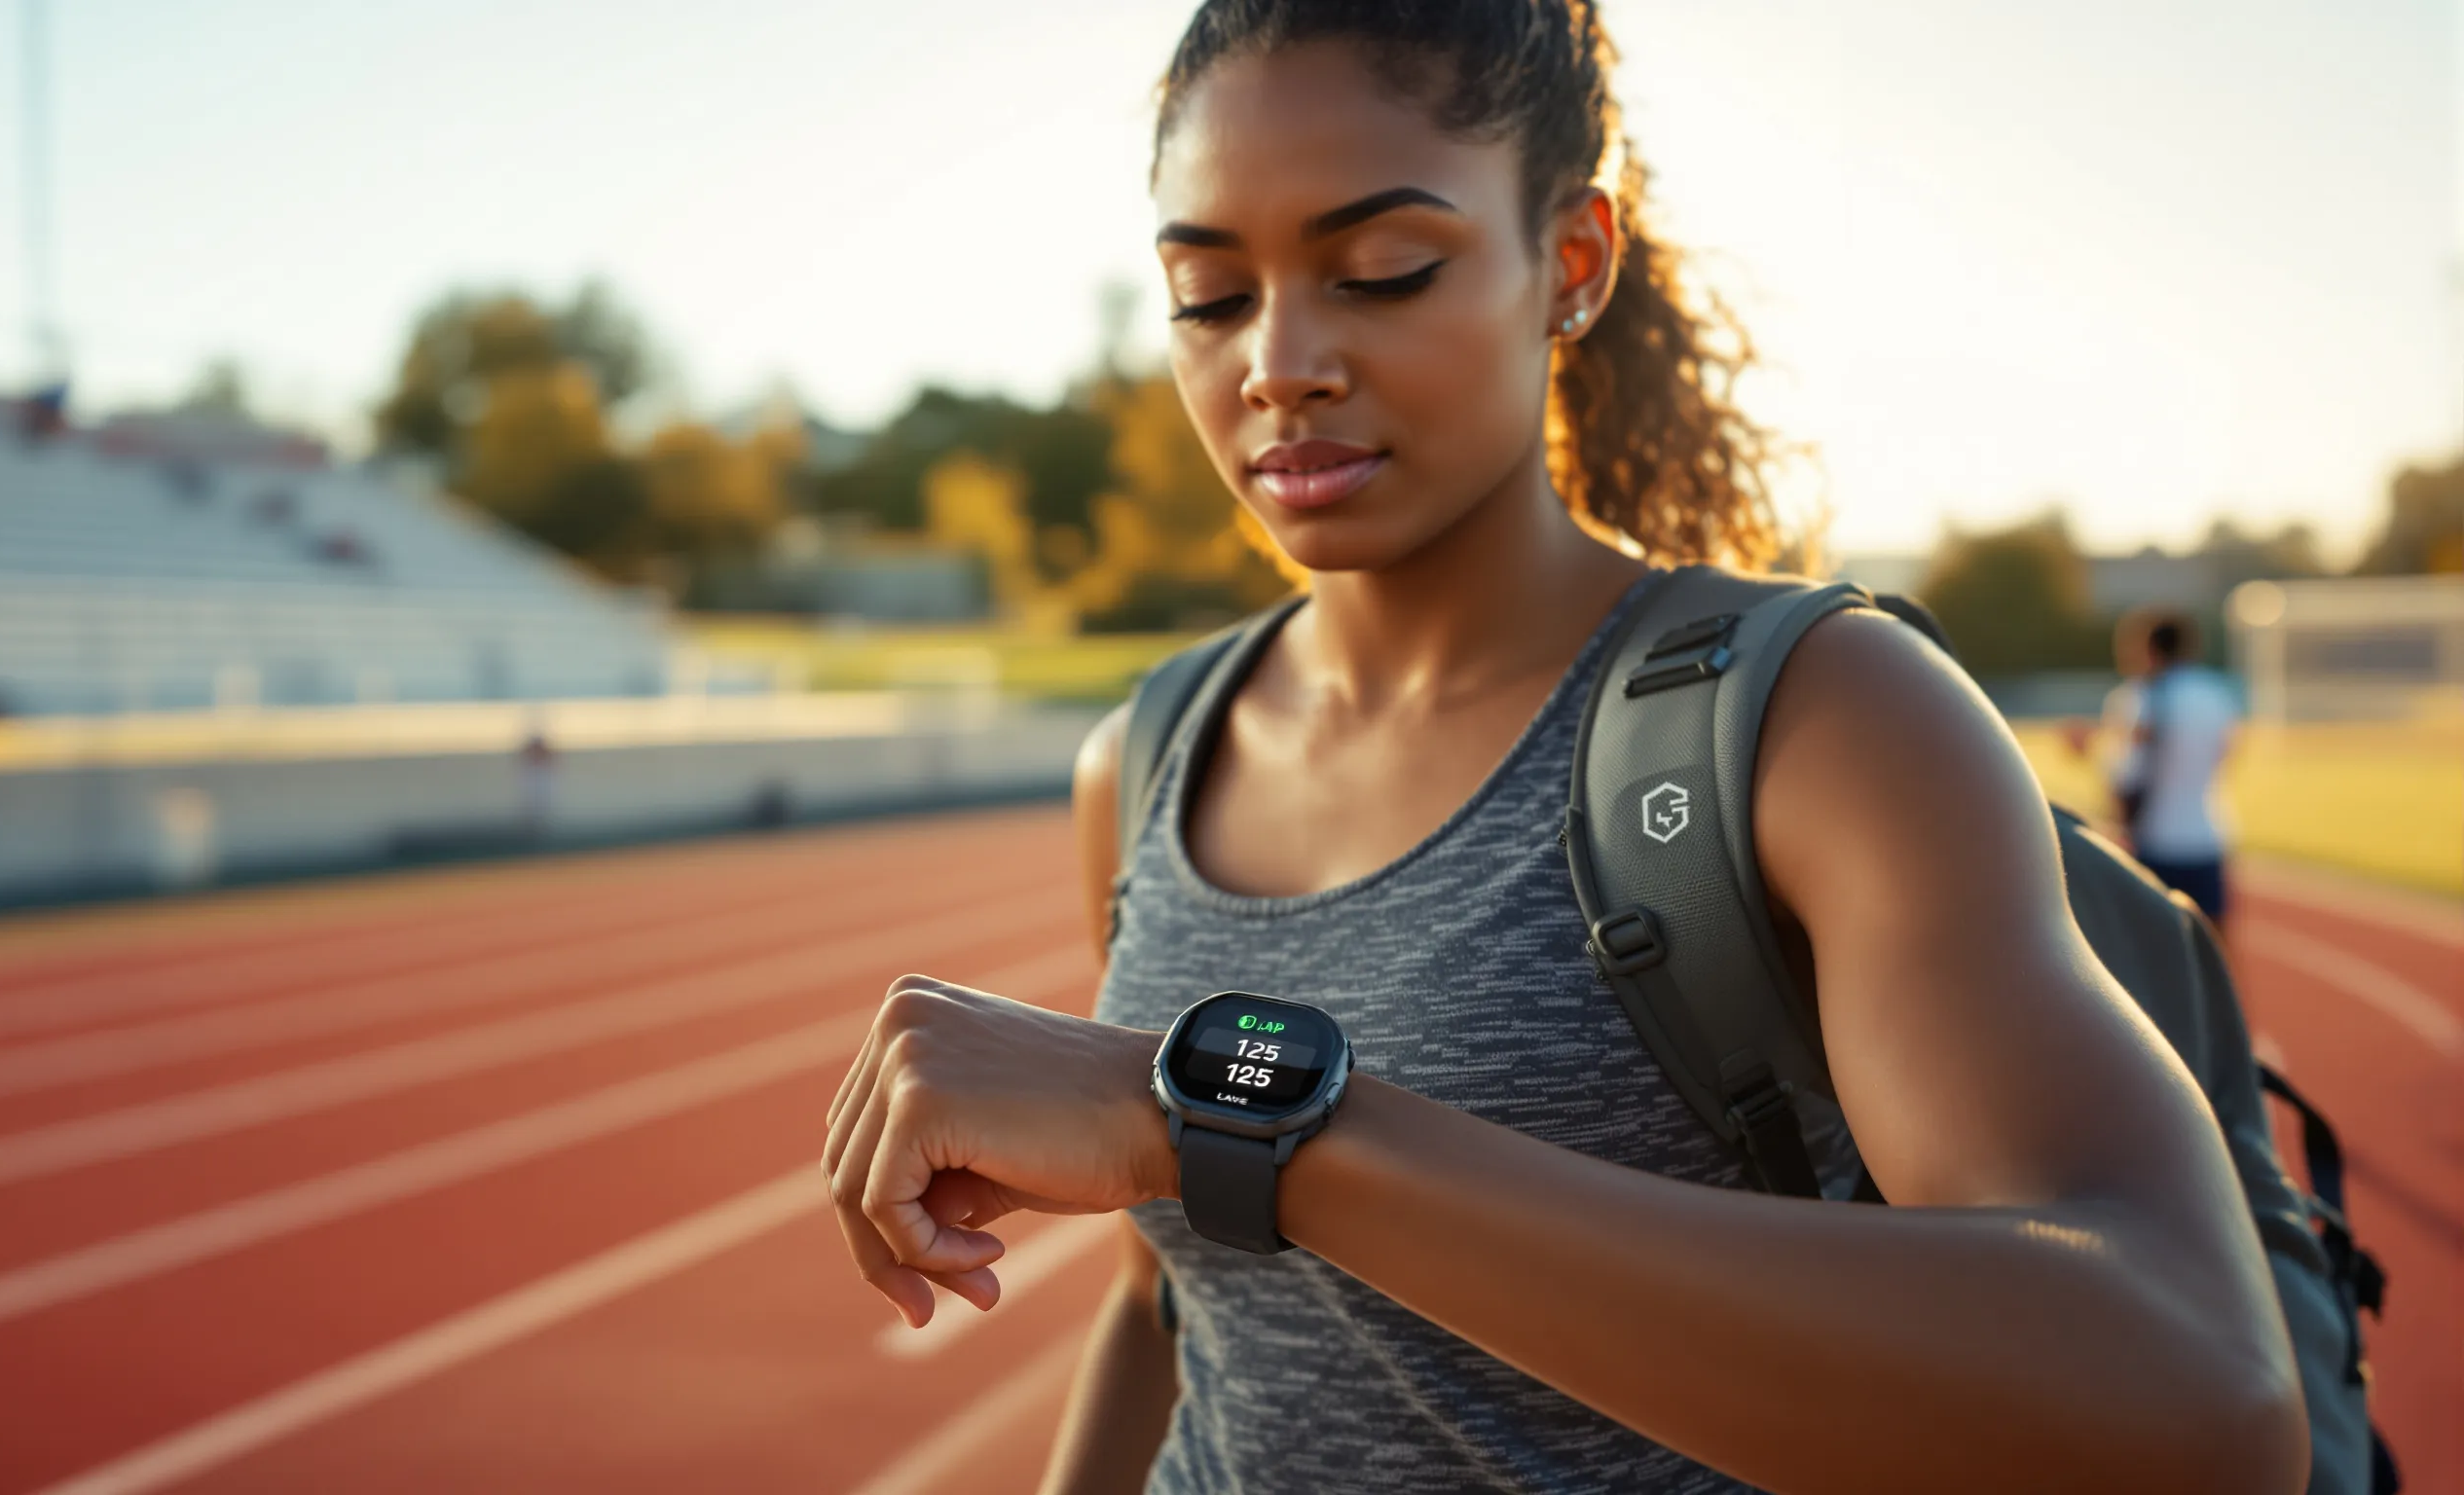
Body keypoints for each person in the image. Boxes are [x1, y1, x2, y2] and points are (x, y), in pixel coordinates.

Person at [821, 4, 2308, 1491]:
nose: (1278, 361)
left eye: (1381, 270)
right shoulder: (1146, 757)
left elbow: (2195, 1399)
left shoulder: (1823, 719)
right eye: (1208, 293)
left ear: (1574, 263)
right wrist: (1198, 1152)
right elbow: (1171, 1300)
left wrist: (1228, 1115)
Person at [2104, 608, 2242, 926]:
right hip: (2207, 836)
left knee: (2149, 954)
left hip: (2155, 843)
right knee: (2212, 954)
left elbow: (2125, 775)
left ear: (2150, 650)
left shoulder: (2139, 697)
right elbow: (2225, 755)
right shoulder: (2217, 695)